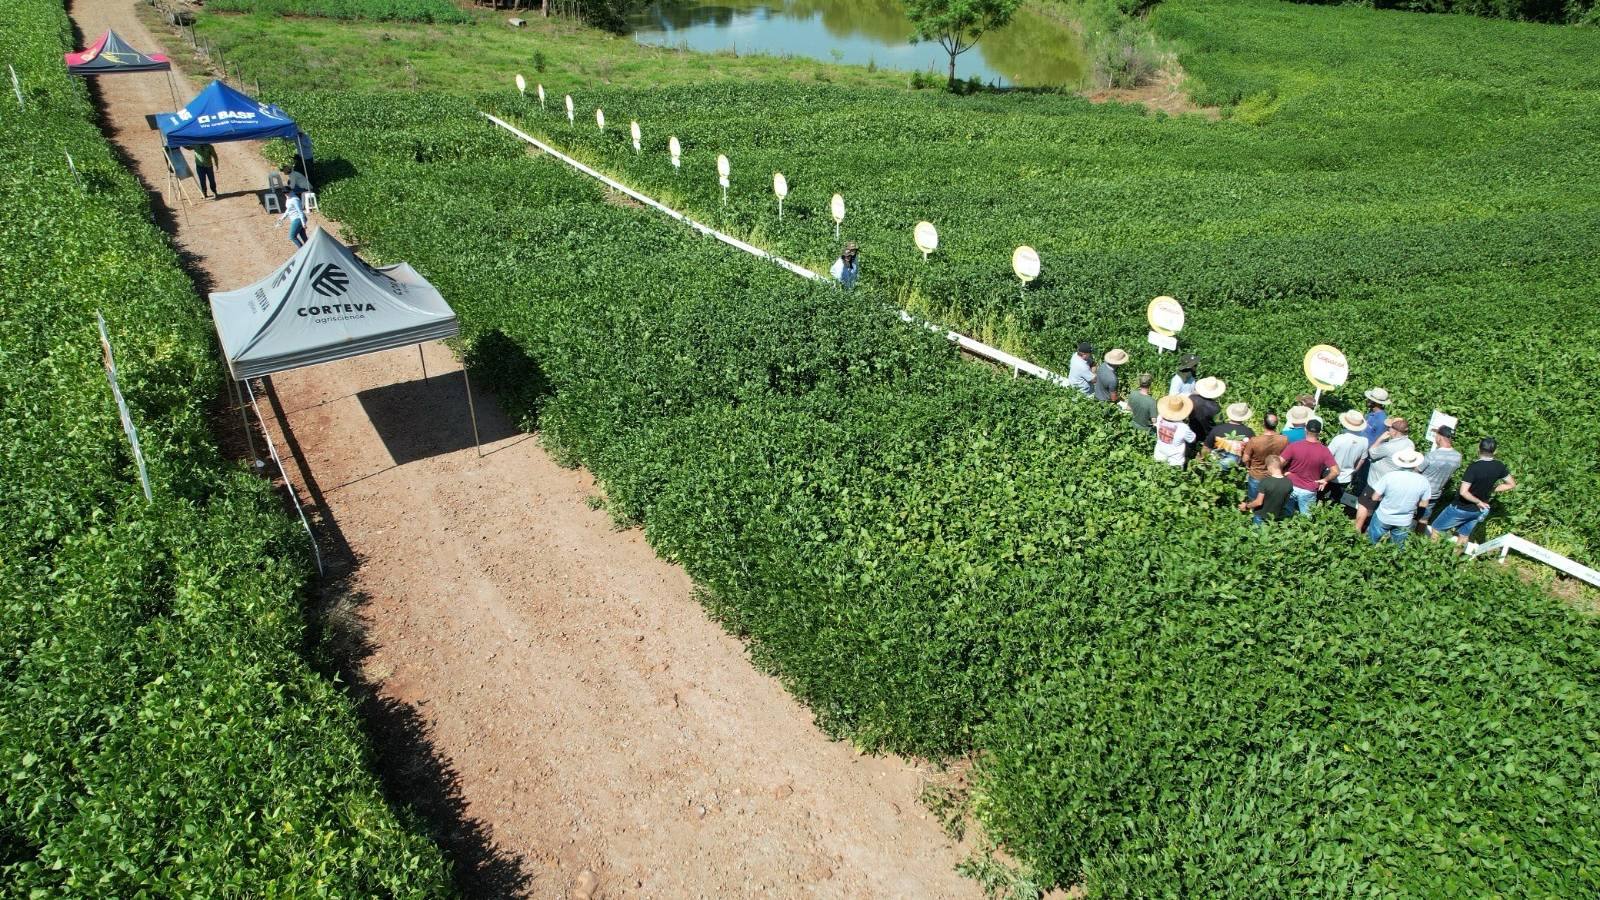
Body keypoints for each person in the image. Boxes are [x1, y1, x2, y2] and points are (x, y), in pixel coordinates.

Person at [1430, 437, 1515, 545]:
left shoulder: (1474, 467)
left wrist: (1477, 502)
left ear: (1478, 450)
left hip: (1461, 507)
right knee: (1464, 536)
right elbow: (1511, 484)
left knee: (1437, 528)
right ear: (1495, 451)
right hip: (1478, 510)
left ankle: (1433, 553)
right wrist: (1492, 489)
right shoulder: (1499, 466)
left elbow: (1463, 492)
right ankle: (1454, 560)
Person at [1366, 449, 1429, 547]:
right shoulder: (1423, 481)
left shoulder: (1390, 476)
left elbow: (1375, 497)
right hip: (1405, 520)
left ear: (1399, 463)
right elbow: (1424, 504)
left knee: (1371, 542)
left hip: (1384, 516)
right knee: (1398, 549)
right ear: (1415, 464)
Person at [1278, 420, 1338, 517]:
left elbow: (1279, 462)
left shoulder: (1294, 446)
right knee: (1305, 520)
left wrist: (1284, 473)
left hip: (1291, 485)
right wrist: (1324, 479)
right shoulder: (1324, 451)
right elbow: (1335, 471)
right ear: (1320, 432)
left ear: (1305, 429)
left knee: (1286, 515)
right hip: (1309, 489)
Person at [1325, 409, 1369, 507]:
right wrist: (1353, 471)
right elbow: (1361, 460)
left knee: (1319, 496)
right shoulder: (1364, 441)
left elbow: (1327, 456)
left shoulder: (1339, 439)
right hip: (1346, 476)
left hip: (1330, 473)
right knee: (1335, 501)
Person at [1418, 425, 1462, 521]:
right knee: (1424, 519)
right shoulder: (1458, 457)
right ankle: (1419, 535)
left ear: (1439, 437)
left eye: (1436, 435)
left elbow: (1417, 470)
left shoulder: (1432, 455)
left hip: (1421, 492)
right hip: (1436, 493)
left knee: (1409, 516)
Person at [1240, 412, 1286, 501]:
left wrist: (1248, 466)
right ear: (1277, 424)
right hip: (1274, 476)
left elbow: (1245, 458)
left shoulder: (1255, 441)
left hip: (1257, 475)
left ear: (1263, 424)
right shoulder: (1284, 439)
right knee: (1271, 503)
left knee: (1254, 502)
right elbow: (1286, 458)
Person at [1238, 454, 1292, 524]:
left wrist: (1246, 506)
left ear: (1269, 467)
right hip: (1276, 518)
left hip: (1261, 517)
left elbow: (1258, 502)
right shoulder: (1289, 483)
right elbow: (1285, 501)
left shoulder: (1265, 482)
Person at [1153, 394, 1195, 468]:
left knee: (1158, 471)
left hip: (1160, 451)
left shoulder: (1160, 418)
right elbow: (1192, 439)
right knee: (1174, 476)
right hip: (1176, 458)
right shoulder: (1183, 427)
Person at [1209, 402, 1254, 470]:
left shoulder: (1217, 429)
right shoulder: (1249, 432)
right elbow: (1251, 453)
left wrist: (1203, 460)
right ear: (1244, 417)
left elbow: (1206, 447)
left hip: (1215, 466)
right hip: (1236, 468)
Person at [1188, 377, 1225, 455]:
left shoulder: (1191, 398)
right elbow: (1219, 425)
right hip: (1208, 434)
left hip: (1193, 429)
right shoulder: (1215, 408)